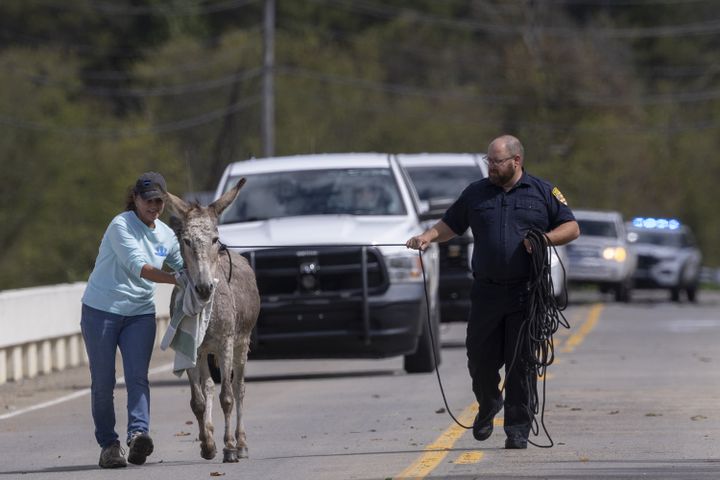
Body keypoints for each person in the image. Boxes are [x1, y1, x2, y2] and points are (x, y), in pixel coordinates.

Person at [406, 135, 579, 449]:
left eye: (496, 161)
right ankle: (488, 403)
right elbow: (451, 223)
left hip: (527, 293)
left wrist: (544, 239)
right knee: (479, 359)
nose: (491, 166)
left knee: (522, 362)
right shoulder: (476, 193)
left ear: (516, 161)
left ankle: (517, 429)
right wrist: (428, 235)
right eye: (489, 160)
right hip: (486, 292)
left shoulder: (542, 191)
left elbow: (571, 227)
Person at [81, 172, 183, 468]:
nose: (154, 206)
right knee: (104, 382)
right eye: (148, 200)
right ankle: (109, 445)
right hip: (101, 311)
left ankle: (138, 435)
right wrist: (175, 279)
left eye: (159, 201)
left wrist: (200, 271)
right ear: (135, 199)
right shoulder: (121, 225)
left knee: (138, 377)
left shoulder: (166, 234)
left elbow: (182, 262)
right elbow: (140, 267)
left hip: (139, 313)